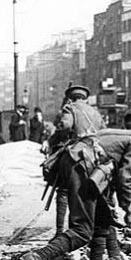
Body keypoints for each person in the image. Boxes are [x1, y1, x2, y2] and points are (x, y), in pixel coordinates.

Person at [20, 110, 131, 260]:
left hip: (76, 161)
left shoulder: (118, 135)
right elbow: (125, 179)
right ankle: (38, 257)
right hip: (81, 165)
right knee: (83, 230)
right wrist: (129, 210)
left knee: (103, 218)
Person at [45, 85, 106, 235]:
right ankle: (94, 230)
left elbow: (65, 126)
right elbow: (104, 131)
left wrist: (52, 140)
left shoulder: (69, 108)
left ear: (71, 98)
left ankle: (61, 232)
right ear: (85, 98)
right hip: (96, 154)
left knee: (63, 189)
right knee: (94, 190)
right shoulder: (95, 112)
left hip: (77, 153)